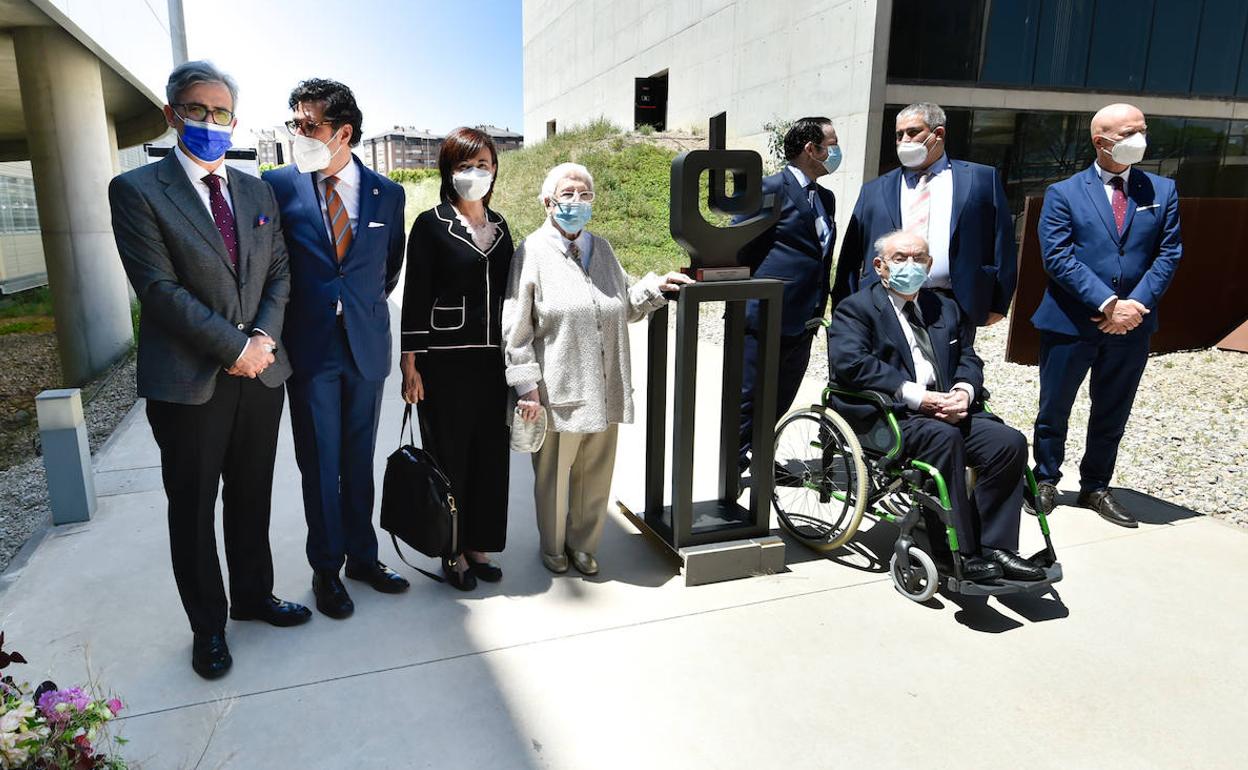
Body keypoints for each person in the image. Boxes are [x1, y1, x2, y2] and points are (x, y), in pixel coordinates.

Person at [109, 61, 309, 680]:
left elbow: (278, 273)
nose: (209, 122)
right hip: (190, 384)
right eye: (197, 110)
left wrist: (263, 339)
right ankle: (208, 627)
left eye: (221, 113)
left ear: (235, 121)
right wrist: (234, 348)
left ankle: (252, 596)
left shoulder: (256, 191)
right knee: (193, 508)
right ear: (172, 115)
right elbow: (159, 290)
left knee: (252, 497)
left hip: (261, 375)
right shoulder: (139, 191)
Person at [263, 79, 409, 619]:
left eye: (309, 125)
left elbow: (387, 269)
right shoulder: (278, 187)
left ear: (343, 132)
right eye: (294, 123)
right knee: (320, 466)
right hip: (310, 351)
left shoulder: (386, 194)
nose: (298, 133)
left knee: (359, 461)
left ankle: (363, 559)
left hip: (365, 349)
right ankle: (326, 568)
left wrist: (357, 308)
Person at [503, 163, 693, 575]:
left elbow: (624, 303)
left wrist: (656, 286)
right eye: (567, 194)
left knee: (596, 473)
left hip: (606, 383)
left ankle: (584, 544)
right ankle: (553, 547)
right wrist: (526, 389)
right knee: (553, 477)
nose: (576, 202)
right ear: (547, 202)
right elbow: (516, 329)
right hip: (558, 388)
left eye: (584, 194)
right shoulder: (531, 252)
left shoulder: (601, 249)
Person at [827, 230, 1044, 584]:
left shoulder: (944, 307)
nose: (910, 265)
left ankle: (996, 547)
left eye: (919, 259)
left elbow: (968, 357)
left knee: (1009, 443)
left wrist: (963, 392)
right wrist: (918, 396)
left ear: (929, 265)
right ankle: (954, 553)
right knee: (944, 441)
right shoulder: (857, 309)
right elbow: (852, 364)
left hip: (948, 407)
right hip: (892, 413)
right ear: (880, 266)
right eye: (900, 258)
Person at [1030, 103, 1182, 527]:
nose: (1141, 138)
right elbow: (1058, 257)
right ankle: (1045, 477)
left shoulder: (1162, 191)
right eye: (1130, 132)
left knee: (1112, 410)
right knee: (1054, 406)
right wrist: (1107, 304)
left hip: (1134, 325)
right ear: (1101, 141)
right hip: (1071, 322)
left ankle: (1095, 486)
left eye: (1143, 129)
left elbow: (1168, 254)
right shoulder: (1064, 193)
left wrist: (1133, 307)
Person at [400, 127, 514, 590]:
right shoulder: (430, 224)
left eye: (484, 164)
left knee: (489, 455)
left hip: (494, 363)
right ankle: (451, 550)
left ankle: (478, 543)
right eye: (466, 165)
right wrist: (411, 360)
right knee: (448, 457)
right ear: (449, 171)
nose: (476, 173)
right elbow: (415, 293)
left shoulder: (502, 226)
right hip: (443, 363)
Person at [833, 102, 1015, 327]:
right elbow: (851, 255)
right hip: (886, 302)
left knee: (953, 362)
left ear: (938, 133)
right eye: (899, 135)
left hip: (956, 302)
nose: (904, 141)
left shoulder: (981, 179)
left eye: (913, 132)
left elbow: (1002, 242)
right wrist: (845, 307)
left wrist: (999, 303)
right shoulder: (874, 189)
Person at [736, 117, 839, 478]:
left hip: (805, 316)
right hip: (764, 314)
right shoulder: (770, 189)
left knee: (781, 397)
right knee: (747, 400)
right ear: (811, 149)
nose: (836, 152)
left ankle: (761, 459)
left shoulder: (826, 198)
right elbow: (736, 246)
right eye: (832, 145)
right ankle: (731, 467)